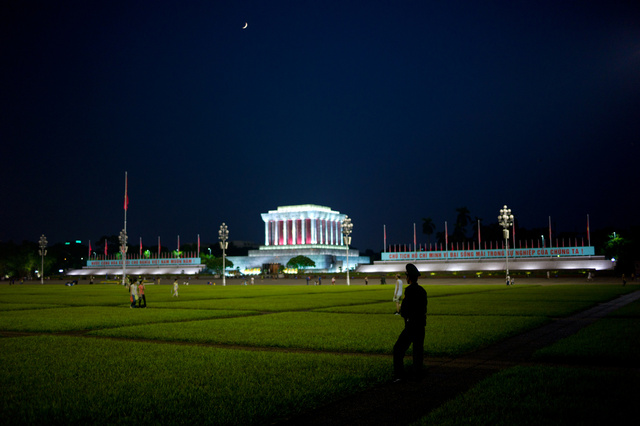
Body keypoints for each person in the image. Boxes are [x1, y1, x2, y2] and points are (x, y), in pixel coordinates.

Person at [393, 263, 427, 382]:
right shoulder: (422, 291)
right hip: (421, 325)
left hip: (411, 325)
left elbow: (405, 310)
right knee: (418, 351)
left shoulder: (410, 291)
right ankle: (418, 375)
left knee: (398, 349)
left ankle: (399, 375)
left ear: (408, 277)